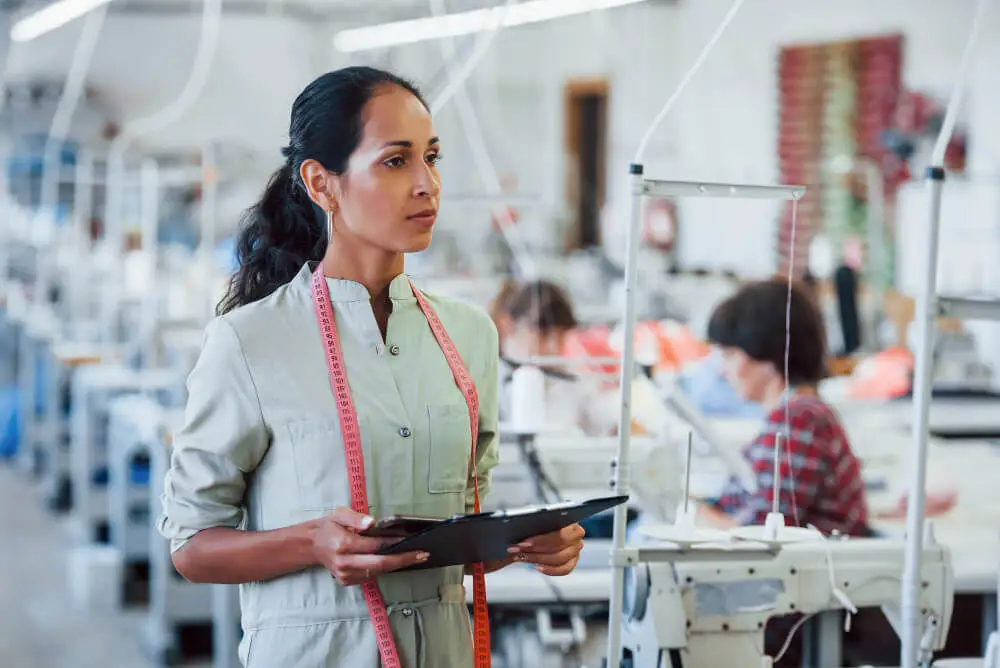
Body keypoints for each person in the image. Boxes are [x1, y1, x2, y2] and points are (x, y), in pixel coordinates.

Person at [157, 67, 585, 668]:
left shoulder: (470, 334)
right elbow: (192, 547)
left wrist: (522, 542)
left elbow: (454, 536)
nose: (427, 185)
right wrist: (311, 542)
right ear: (321, 183)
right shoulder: (249, 341)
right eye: (395, 162)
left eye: (432, 158)